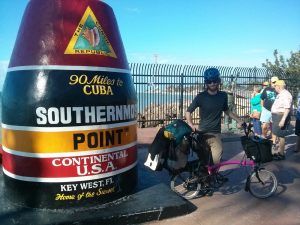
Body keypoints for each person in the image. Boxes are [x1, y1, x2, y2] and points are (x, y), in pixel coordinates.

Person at [185, 67, 243, 164]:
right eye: (209, 81)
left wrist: (239, 120)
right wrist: (191, 125)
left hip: (215, 133)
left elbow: (227, 111)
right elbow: (188, 112)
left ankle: (211, 176)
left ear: (218, 81)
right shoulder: (201, 97)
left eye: (215, 81)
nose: (212, 83)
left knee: (216, 161)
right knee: (204, 161)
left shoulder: (223, 96)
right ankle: (204, 177)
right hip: (201, 133)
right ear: (206, 83)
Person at [271, 80, 293, 160]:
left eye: (275, 86)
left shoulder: (285, 94)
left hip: (280, 116)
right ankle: (280, 152)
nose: (275, 88)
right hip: (277, 116)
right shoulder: (281, 94)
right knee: (278, 134)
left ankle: (282, 154)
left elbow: (287, 108)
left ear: (279, 86)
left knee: (281, 135)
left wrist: (283, 120)